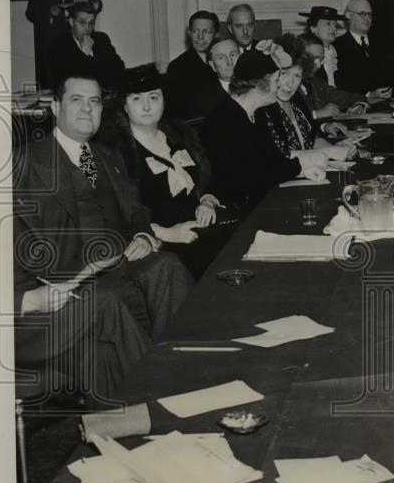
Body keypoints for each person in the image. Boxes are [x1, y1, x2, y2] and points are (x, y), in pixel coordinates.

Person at [13, 70, 194, 398]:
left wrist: (142, 235)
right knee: (107, 305)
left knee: (167, 266)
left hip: (121, 269)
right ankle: (167, 394)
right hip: (71, 285)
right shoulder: (26, 164)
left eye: (94, 102)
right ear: (55, 107)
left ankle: (181, 371)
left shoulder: (108, 157)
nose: (87, 109)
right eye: (76, 100)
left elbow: (136, 210)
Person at [107, 65, 232, 280]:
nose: (146, 106)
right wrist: (168, 233)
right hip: (161, 241)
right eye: (137, 99)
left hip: (201, 229)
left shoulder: (182, 134)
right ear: (125, 107)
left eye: (154, 98)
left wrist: (207, 201)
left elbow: (209, 178)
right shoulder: (115, 152)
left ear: (164, 103)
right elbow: (117, 213)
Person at [202, 43, 327, 212]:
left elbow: (273, 159)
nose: (279, 86)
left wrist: (304, 170)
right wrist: (301, 164)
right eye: (276, 80)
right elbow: (248, 179)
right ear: (260, 85)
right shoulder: (224, 121)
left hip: (262, 199)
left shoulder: (256, 113)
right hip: (239, 209)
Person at [257, 34, 349, 157]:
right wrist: (329, 152)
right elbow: (278, 157)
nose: (290, 84)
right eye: (284, 74)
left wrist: (338, 149)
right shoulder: (263, 111)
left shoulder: (297, 102)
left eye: (297, 76)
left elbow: (313, 139)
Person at [298, 6, 367, 113]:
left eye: (335, 25)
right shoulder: (300, 64)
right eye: (328, 24)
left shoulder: (339, 53)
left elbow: (339, 94)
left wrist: (357, 104)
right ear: (313, 28)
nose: (334, 29)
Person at [52, 2, 125, 91]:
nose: (87, 28)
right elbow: (67, 81)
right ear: (71, 22)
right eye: (82, 22)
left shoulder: (101, 39)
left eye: (91, 23)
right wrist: (84, 54)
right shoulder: (60, 45)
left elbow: (118, 69)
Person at [333, 0, 394, 99]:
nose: (367, 18)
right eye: (362, 14)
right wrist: (369, 95)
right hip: (355, 107)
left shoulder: (382, 43)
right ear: (348, 15)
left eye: (369, 14)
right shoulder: (337, 46)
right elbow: (341, 84)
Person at [165, 10, 221, 118]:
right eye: (195, 31)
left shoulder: (225, 61)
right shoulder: (176, 67)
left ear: (216, 35)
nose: (200, 37)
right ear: (189, 33)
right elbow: (175, 114)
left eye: (206, 32)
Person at [190, 37, 239, 119]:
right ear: (212, 65)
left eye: (233, 55)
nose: (229, 62)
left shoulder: (255, 88)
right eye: (221, 58)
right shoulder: (202, 101)